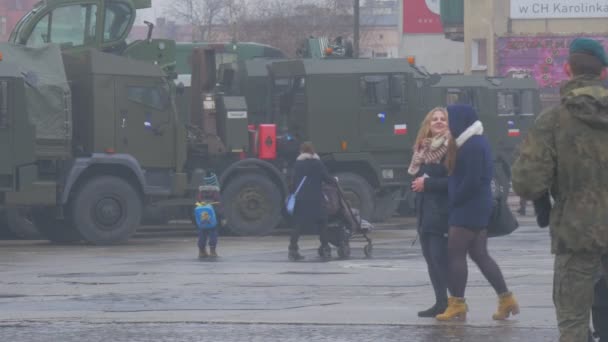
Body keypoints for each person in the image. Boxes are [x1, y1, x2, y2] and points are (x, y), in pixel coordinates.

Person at [511, 37, 608, 342]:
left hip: (577, 234)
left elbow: (527, 182)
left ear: (567, 69)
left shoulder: (552, 120)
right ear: (603, 73)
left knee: (573, 323)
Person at [436, 104, 519, 321]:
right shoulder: (472, 141)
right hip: (476, 205)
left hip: (468, 207)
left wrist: (455, 200)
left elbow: (471, 180)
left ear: (461, 120)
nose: (448, 124)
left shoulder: (472, 145)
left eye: (450, 119)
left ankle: (457, 303)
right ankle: (506, 299)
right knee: (479, 255)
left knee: (454, 254)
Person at [408, 107, 450, 317]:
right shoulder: (421, 150)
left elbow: (455, 181)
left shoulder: (451, 148)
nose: (439, 122)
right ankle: (440, 302)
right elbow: (416, 178)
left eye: (443, 119)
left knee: (440, 258)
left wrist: (428, 184)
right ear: (428, 123)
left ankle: (456, 302)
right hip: (425, 212)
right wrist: (417, 184)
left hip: (443, 212)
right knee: (431, 259)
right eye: (435, 119)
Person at [288, 142, 336, 261]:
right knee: (322, 223)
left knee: (298, 225)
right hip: (316, 199)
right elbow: (327, 178)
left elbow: (293, 183)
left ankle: (293, 249)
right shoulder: (317, 163)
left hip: (301, 200)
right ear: (312, 151)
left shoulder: (297, 164)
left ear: (301, 151)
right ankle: (325, 248)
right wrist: (335, 180)